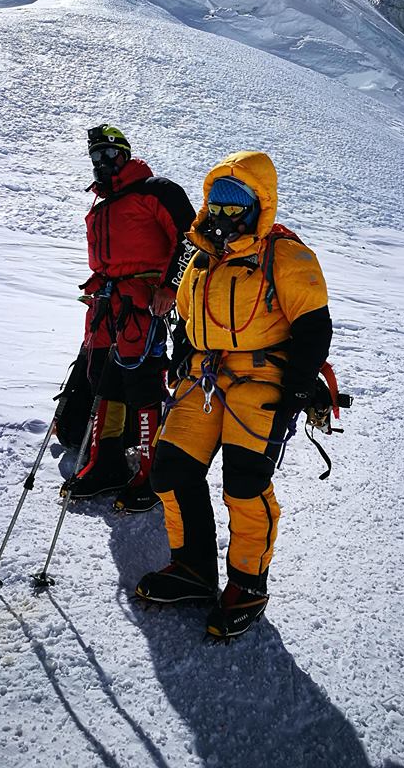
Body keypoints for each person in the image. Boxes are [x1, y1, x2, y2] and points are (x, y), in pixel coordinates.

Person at [135, 151, 332, 640]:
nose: (222, 214)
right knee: (171, 470)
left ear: (259, 205)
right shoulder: (199, 256)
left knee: (244, 485)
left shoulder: (284, 255)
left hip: (263, 379)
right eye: (215, 202)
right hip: (201, 379)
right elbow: (185, 317)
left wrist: (298, 388)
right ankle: (193, 570)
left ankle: (248, 584)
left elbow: (313, 326)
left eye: (234, 202)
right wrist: (182, 356)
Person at [68, 124, 195, 512]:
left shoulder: (155, 191)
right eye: (95, 157)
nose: (101, 163)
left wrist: (170, 288)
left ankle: (150, 471)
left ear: (125, 154)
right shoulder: (103, 203)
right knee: (106, 384)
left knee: (142, 387)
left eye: (109, 154)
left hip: (144, 306)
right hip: (108, 305)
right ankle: (104, 463)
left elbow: (190, 238)